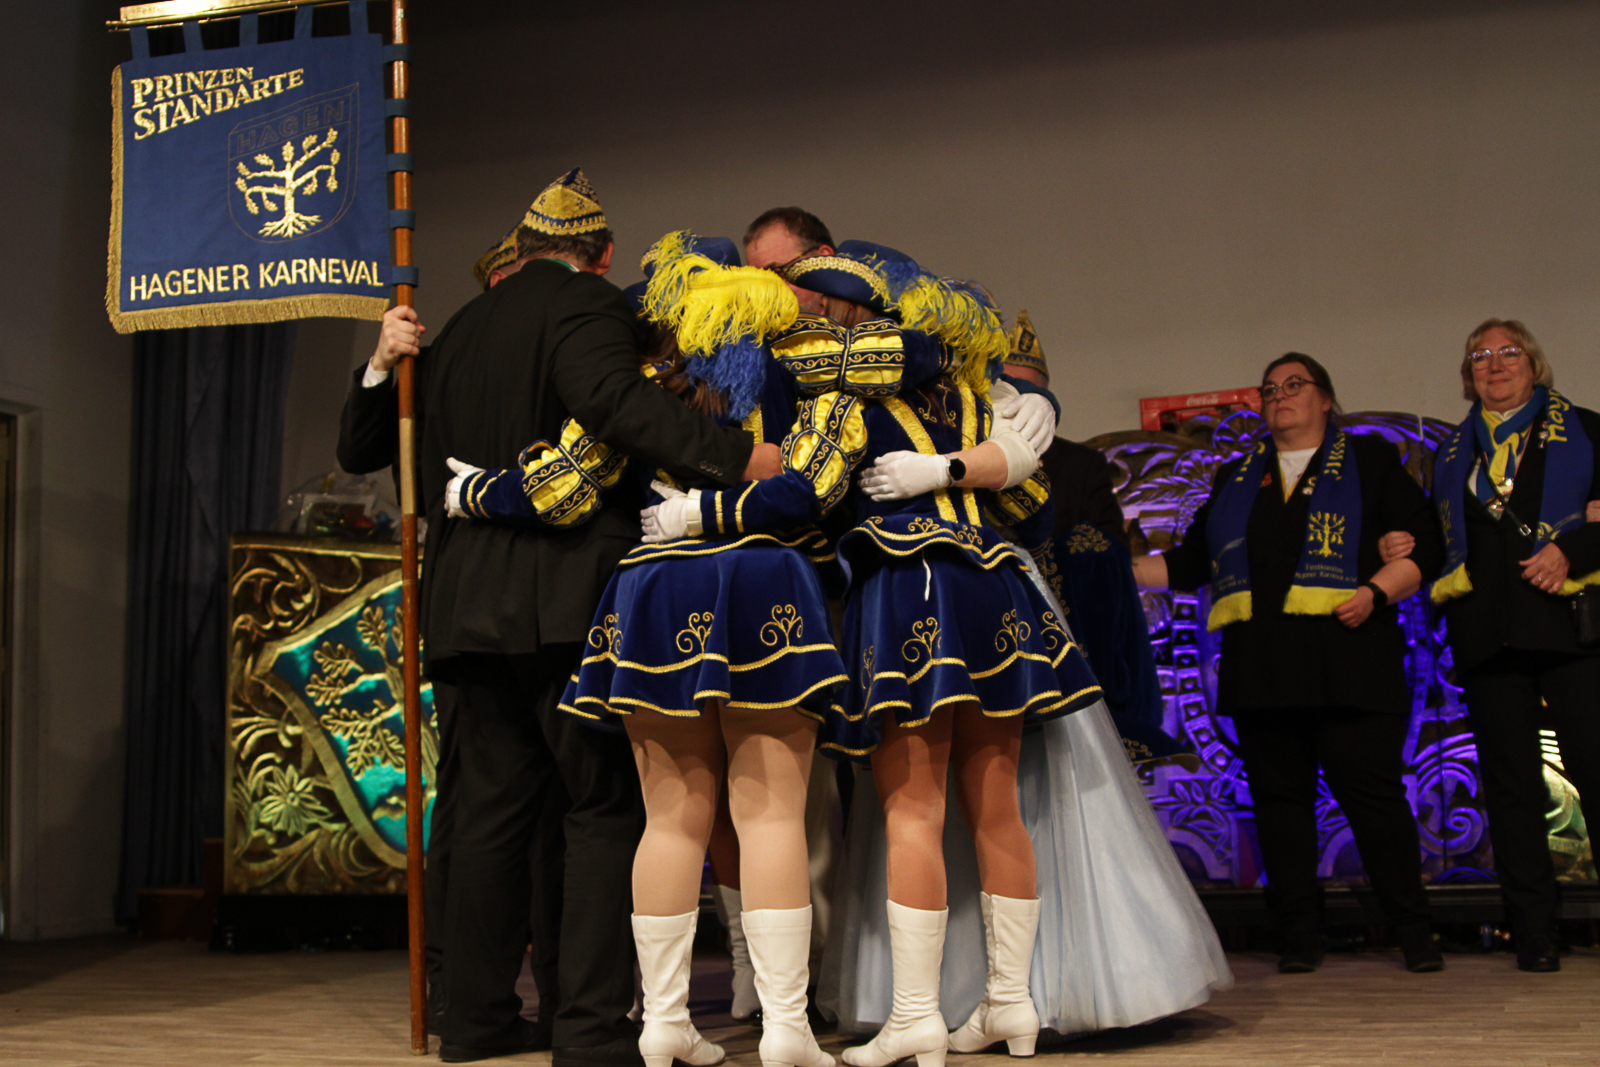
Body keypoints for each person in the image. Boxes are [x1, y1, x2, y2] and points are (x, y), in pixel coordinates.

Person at [338, 171, 776, 1065]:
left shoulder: (460, 327)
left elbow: (362, 447)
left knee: (488, 818)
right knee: (601, 810)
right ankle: (587, 1026)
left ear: (523, 248)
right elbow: (613, 401)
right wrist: (740, 456)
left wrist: (379, 366)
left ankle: (476, 1019)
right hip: (566, 603)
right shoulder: (588, 307)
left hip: (464, 609)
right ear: (601, 255)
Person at [645, 241, 1104, 1066]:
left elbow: (806, 492)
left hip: (907, 584)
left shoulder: (841, 390)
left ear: (841, 313)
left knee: (912, 811)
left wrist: (700, 512)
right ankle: (1010, 1003)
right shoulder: (971, 395)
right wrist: (974, 456)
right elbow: (1035, 504)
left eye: (817, 305)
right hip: (996, 584)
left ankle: (916, 1017)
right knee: (997, 805)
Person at [449, 231, 843, 1067]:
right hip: (763, 581)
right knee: (770, 813)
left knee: (669, 817)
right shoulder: (808, 372)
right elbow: (815, 485)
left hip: (656, 589)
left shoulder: (647, 380)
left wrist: (475, 490)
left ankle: (663, 1022)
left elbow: (563, 487)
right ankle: (786, 1028)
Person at [1131, 353, 1446, 974]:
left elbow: (1425, 544)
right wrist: (1113, 569)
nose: (1280, 396)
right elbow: (1192, 564)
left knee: (1375, 801)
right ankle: (1299, 933)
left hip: (1351, 659)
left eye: (1294, 385)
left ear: (1326, 398)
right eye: (1270, 389)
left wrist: (1376, 592)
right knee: (1279, 805)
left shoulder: (1369, 461)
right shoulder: (1237, 477)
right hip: (1264, 668)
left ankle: (1414, 929)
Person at [1416, 319, 1600, 972]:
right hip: (1487, 634)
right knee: (1511, 788)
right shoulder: (1448, 453)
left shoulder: (1587, 429)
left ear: (1534, 363)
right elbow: (1441, 540)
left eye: (1508, 352)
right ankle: (1534, 931)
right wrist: (1401, 545)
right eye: (1480, 356)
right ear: (1469, 374)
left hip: (1572, 630)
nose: (1494, 364)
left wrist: (1572, 549)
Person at [1003, 311, 1192, 767]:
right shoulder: (969, 451)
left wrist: (1053, 556)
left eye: (1030, 390)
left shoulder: (1079, 463)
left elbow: (1109, 542)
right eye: (1009, 387)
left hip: (1067, 606)